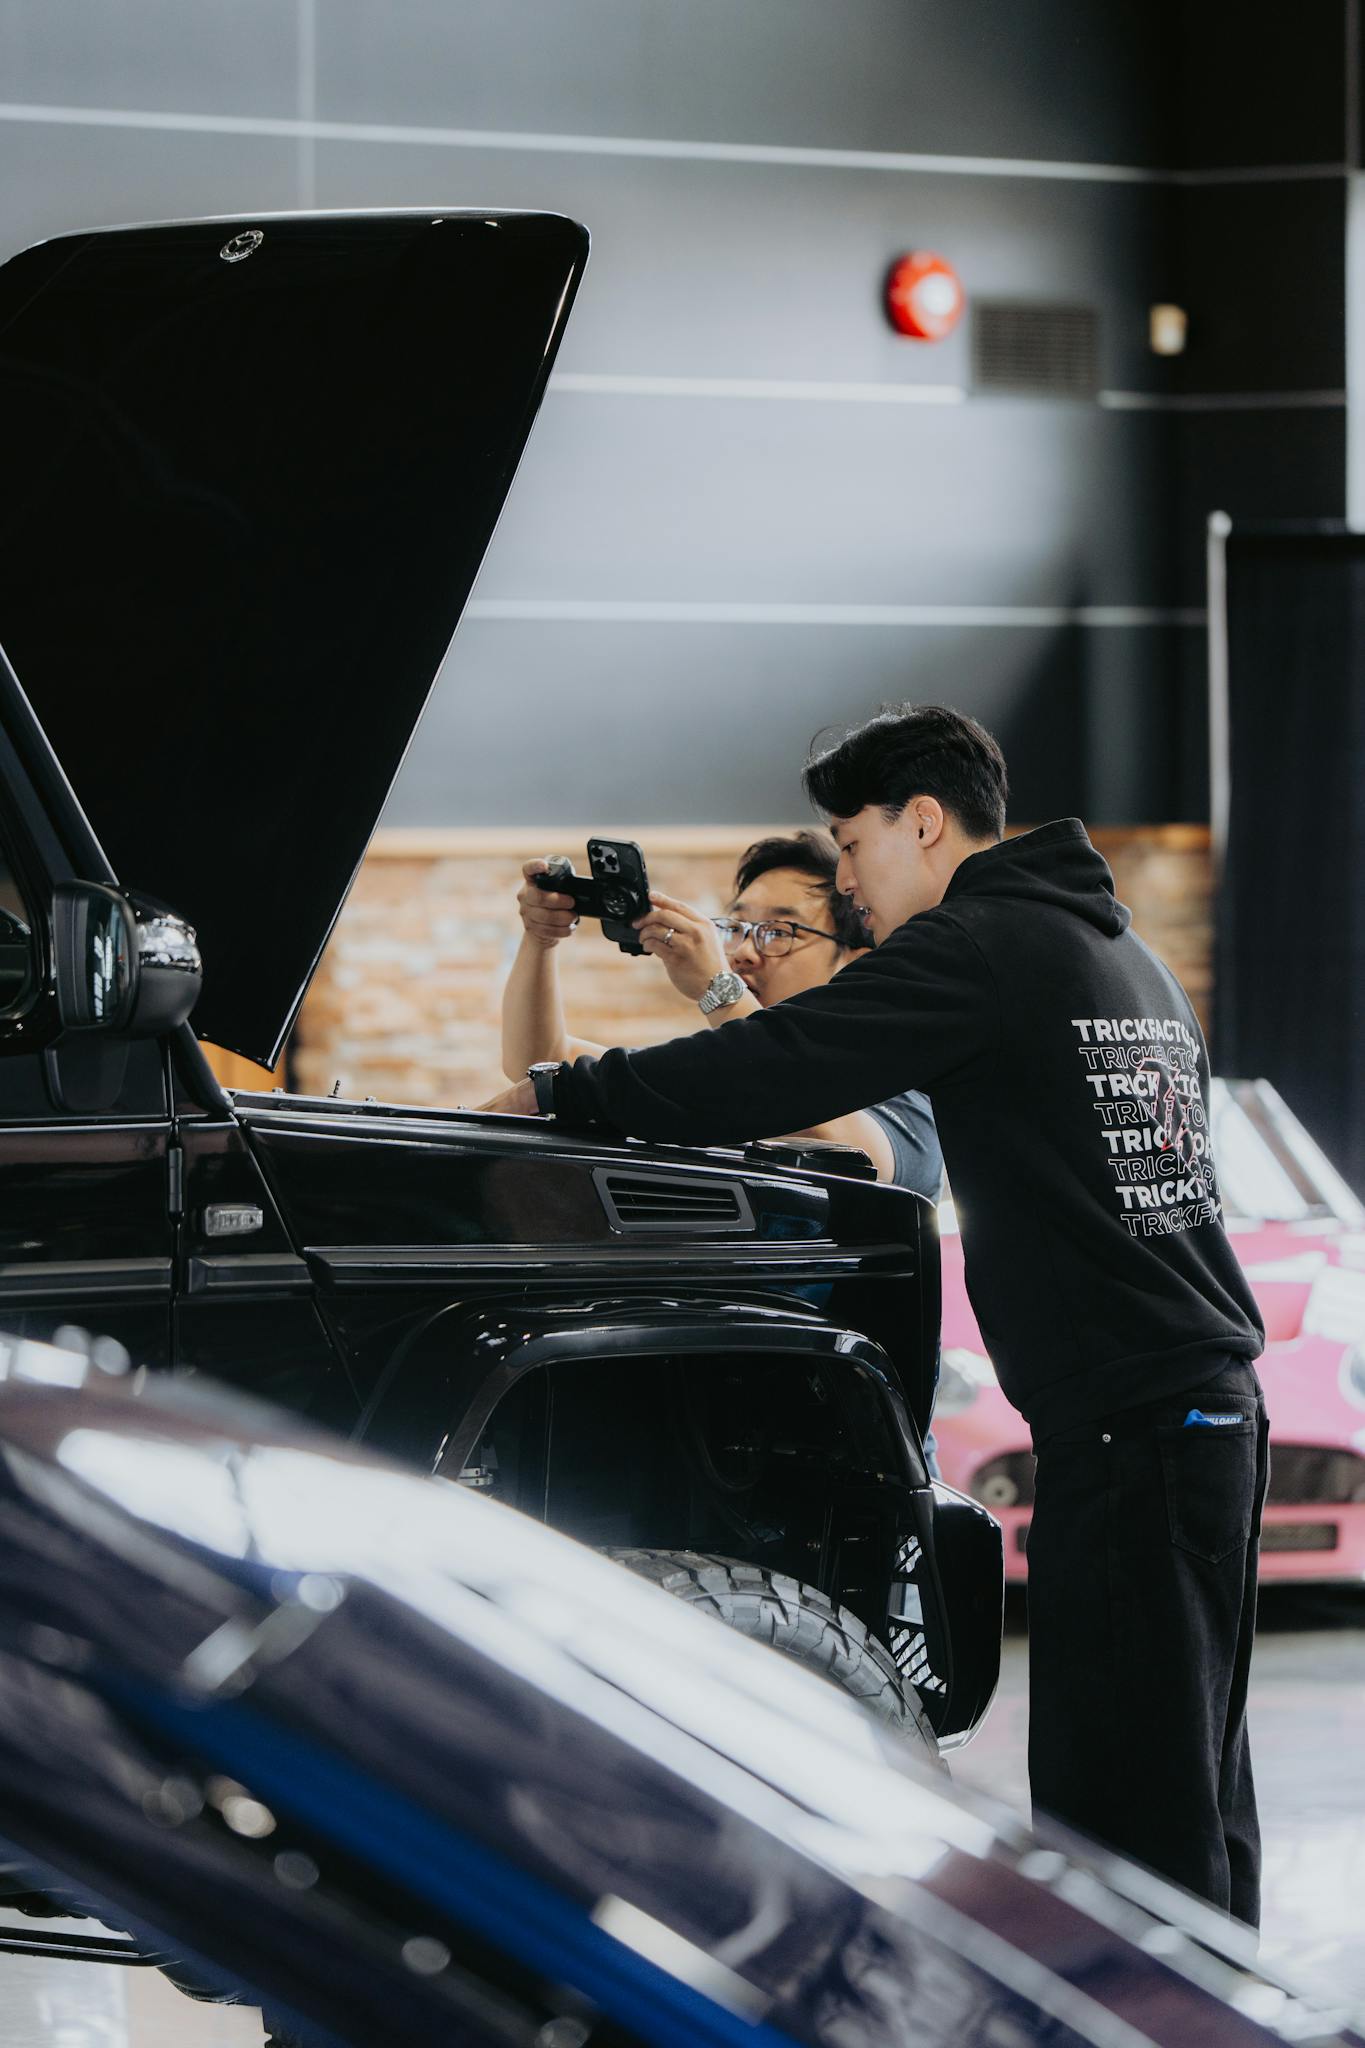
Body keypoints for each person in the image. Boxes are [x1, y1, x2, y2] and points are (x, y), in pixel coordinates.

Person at [483, 703, 1269, 1926]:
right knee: (1194, 1794)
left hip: (1131, 1422)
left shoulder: (978, 942)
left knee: (1122, 1820)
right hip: (1200, 1408)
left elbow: (777, 1066)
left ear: (921, 820)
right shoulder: (1118, 950)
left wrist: (567, 1091)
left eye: (851, 845)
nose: (847, 880)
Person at [501, 828, 942, 1200]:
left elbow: (831, 1138)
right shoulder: (723, 1070)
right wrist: (541, 940)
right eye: (737, 929)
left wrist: (717, 986)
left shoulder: (901, 1088)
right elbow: (540, 1060)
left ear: (852, 961)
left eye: (778, 932)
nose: (744, 953)